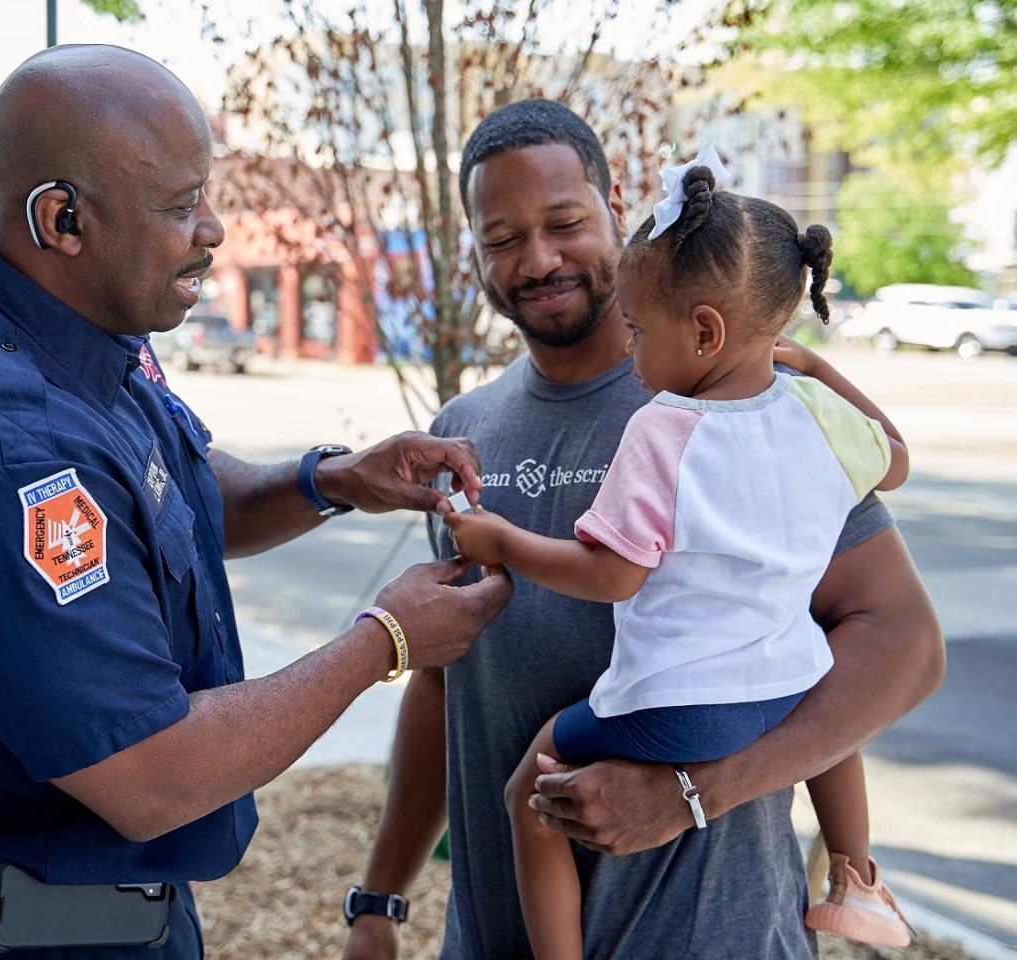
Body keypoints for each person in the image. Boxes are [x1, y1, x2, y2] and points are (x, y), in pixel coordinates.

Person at [0, 45, 511, 960]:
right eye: (181, 205)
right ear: (62, 218)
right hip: (23, 936)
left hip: (111, 916)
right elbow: (150, 772)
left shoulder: (69, 326)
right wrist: (385, 641)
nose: (217, 229)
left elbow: (177, 497)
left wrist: (335, 480)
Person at [342, 100, 944, 960]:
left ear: (616, 207)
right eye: (502, 237)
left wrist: (695, 792)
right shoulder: (467, 429)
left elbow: (907, 647)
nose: (538, 258)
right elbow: (447, 688)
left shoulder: (734, 405)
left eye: (563, 222)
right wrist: (381, 898)